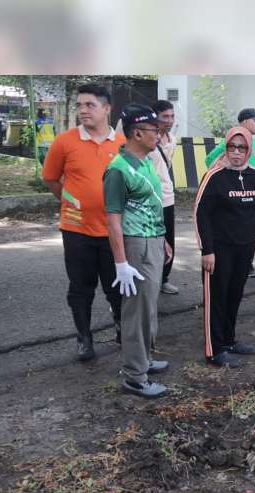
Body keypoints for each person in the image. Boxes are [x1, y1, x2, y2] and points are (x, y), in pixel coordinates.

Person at [42, 83, 126, 362]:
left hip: (114, 231)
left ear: (107, 108)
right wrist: (71, 201)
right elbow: (51, 178)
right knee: (81, 287)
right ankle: (84, 337)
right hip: (76, 230)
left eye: (90, 104)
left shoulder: (122, 144)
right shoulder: (64, 141)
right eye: (79, 105)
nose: (83, 110)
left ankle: (122, 329)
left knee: (117, 286)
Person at [103, 103, 172, 398]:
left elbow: (150, 204)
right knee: (137, 312)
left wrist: (162, 239)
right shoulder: (118, 170)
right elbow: (112, 220)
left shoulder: (144, 161)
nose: (159, 133)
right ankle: (134, 376)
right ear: (136, 133)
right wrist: (121, 262)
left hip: (152, 240)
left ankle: (144, 359)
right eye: (154, 129)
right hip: (136, 245)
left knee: (149, 308)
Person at [195, 126, 255, 368]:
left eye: (242, 147)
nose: (236, 152)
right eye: (232, 146)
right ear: (225, 148)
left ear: (249, 150)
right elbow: (200, 213)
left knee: (234, 295)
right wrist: (207, 250)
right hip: (218, 250)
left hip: (245, 249)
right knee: (217, 298)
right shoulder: (214, 177)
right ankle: (213, 350)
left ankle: (228, 340)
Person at [147, 100, 179, 295]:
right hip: (150, 198)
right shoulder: (147, 138)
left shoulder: (172, 139)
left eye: (172, 116)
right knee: (151, 240)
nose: (170, 120)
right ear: (155, 116)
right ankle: (149, 280)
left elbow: (166, 167)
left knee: (169, 239)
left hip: (168, 197)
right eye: (165, 116)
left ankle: (163, 278)